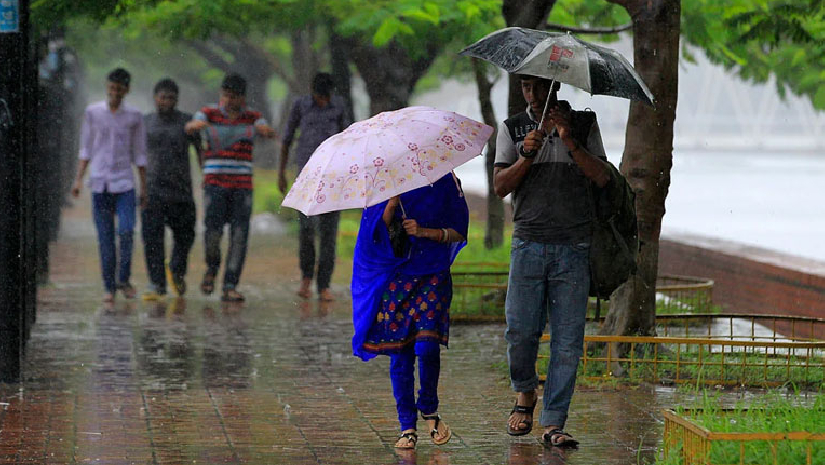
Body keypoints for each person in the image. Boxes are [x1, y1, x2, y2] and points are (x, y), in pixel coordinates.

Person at [493, 76, 610, 448]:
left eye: (539, 86)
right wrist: (527, 153)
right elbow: (500, 186)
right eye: (526, 87)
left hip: (573, 246)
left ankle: (554, 421)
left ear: (556, 85)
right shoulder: (512, 128)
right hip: (528, 243)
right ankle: (524, 393)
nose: (533, 94)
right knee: (520, 331)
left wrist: (569, 139)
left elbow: (602, 177)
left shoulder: (585, 124)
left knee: (568, 341)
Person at [351, 173, 469, 450]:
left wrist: (425, 232)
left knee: (427, 348)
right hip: (396, 277)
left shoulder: (445, 181)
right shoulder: (383, 181)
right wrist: (391, 203)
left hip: (433, 275)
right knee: (400, 352)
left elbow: (459, 231)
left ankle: (429, 408)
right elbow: (372, 234)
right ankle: (407, 426)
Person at [185, 73, 277, 302]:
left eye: (233, 96)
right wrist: (196, 126)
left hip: (242, 186)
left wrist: (265, 132)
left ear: (242, 98)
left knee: (239, 236)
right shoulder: (208, 113)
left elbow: (267, 130)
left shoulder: (253, 117)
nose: (228, 100)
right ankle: (212, 268)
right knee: (212, 233)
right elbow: (190, 127)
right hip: (215, 184)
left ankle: (229, 285)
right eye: (225, 95)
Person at [71, 67, 147, 303]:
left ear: (126, 90)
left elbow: (140, 154)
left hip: (124, 184)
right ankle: (109, 287)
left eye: (119, 89)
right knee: (105, 239)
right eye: (111, 87)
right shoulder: (93, 113)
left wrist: (144, 187)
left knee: (126, 232)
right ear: (107, 87)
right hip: (99, 184)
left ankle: (123, 278)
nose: (114, 92)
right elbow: (86, 148)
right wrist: (78, 179)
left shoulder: (134, 117)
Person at [279, 72, 351, 301]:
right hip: (307, 176)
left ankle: (324, 285)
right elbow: (287, 138)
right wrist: (281, 173)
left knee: (329, 234)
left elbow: (349, 138)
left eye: (326, 97)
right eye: (320, 97)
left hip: (333, 176)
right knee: (307, 231)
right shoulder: (300, 105)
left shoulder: (339, 106)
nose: (323, 101)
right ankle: (306, 277)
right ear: (312, 92)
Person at [141, 78, 202, 300]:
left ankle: (176, 270)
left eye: (170, 97)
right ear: (155, 98)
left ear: (176, 100)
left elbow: (200, 150)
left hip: (181, 191)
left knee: (186, 236)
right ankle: (156, 284)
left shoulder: (188, 123)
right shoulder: (145, 122)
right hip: (153, 190)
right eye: (162, 97)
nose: (166, 101)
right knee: (152, 239)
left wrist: (206, 175)